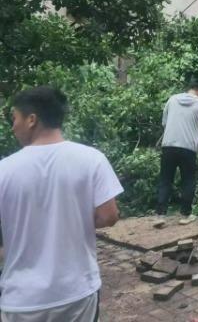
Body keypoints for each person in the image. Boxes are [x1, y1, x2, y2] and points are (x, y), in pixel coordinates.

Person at [0, 86, 122, 322]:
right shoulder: (91, 159)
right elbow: (109, 215)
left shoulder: (4, 170)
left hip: (21, 301)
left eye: (15, 118)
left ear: (32, 120)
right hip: (76, 292)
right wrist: (73, 222)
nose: (13, 126)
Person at [156, 79, 198, 225]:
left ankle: (160, 216)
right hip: (188, 149)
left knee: (165, 179)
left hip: (168, 146)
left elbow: (164, 122)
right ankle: (185, 214)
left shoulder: (172, 100)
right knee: (188, 180)